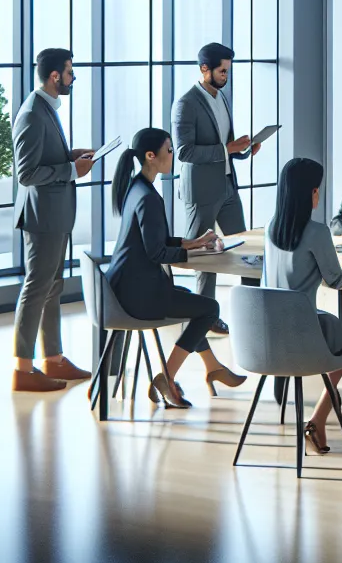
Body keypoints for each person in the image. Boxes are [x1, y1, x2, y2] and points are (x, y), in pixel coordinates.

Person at [105, 128, 247, 409]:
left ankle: (213, 367)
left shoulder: (137, 188)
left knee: (188, 300)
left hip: (122, 290)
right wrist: (192, 252)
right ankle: (167, 378)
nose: (173, 155)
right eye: (168, 150)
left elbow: (153, 240)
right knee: (209, 309)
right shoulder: (148, 198)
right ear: (150, 156)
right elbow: (157, 251)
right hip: (137, 298)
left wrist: (195, 243)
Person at [9, 47, 95, 393]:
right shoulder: (32, 113)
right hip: (42, 217)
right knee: (36, 287)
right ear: (55, 76)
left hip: (55, 215)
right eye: (70, 72)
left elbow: (44, 158)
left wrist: (69, 157)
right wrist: (71, 170)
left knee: (52, 288)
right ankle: (23, 368)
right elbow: (26, 174)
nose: (74, 78)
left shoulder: (46, 108)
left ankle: (53, 358)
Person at [264, 157, 342, 454]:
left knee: (339, 331)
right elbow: (334, 280)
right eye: (316, 190)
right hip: (302, 335)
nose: (318, 195)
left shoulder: (271, 228)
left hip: (266, 335)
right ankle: (318, 418)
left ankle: (321, 415)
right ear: (310, 194)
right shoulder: (317, 233)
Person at [172, 42, 264, 331]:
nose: (226, 76)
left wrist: (245, 149)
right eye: (222, 71)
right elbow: (184, 152)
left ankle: (255, 312)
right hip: (201, 191)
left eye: (228, 71)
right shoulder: (186, 103)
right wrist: (227, 148)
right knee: (204, 256)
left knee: (247, 249)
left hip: (227, 185)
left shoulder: (222, 98)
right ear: (204, 69)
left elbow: (228, 145)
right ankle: (204, 318)